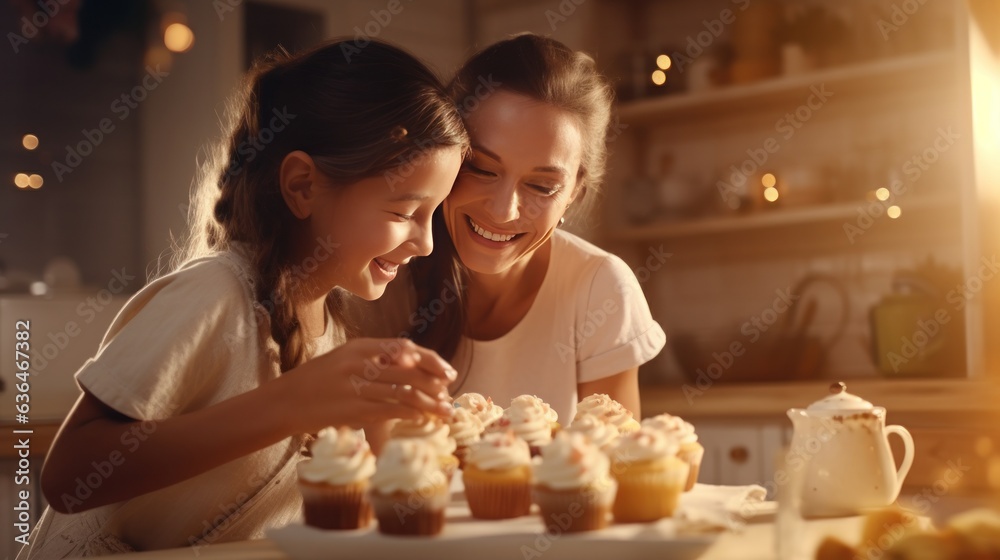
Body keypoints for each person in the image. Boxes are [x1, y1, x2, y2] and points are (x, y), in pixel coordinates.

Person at [20, 39, 466, 558]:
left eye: (433, 214)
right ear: (302, 186)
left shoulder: (332, 331)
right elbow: (69, 474)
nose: (426, 242)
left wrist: (394, 441)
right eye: (403, 212)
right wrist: (291, 403)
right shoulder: (214, 295)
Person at [368, 34, 666, 425]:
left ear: (574, 194)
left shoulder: (600, 288)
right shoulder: (384, 270)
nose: (503, 211)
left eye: (541, 186)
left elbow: (617, 469)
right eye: (482, 168)